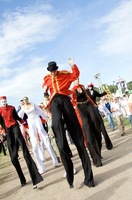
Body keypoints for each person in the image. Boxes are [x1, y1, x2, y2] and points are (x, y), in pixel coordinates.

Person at [42, 58, 95, 188]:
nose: (53, 72)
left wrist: (73, 66)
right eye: (51, 70)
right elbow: (45, 89)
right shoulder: (46, 79)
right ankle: (61, 144)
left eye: (54, 70)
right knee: (56, 123)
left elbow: (75, 75)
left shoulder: (64, 74)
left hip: (65, 99)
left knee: (74, 125)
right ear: (49, 71)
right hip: (54, 102)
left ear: (57, 69)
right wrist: (45, 95)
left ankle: (89, 178)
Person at [0, 96, 43, 189]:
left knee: (25, 152)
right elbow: (1, 121)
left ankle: (35, 178)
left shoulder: (11, 108)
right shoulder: (0, 110)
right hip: (8, 130)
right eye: (2, 101)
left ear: (6, 101)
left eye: (5, 101)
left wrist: (23, 121)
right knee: (13, 158)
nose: (4, 102)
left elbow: (16, 117)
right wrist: (3, 130)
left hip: (15, 126)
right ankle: (22, 179)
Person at [18, 96, 59, 174]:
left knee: (42, 133)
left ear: (28, 100)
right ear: (23, 101)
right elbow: (19, 116)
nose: (26, 101)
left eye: (27, 99)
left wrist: (46, 118)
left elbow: (40, 112)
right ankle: (41, 167)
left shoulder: (33, 104)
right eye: (24, 100)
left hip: (36, 118)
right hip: (30, 121)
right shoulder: (23, 108)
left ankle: (55, 160)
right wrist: (19, 122)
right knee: (34, 141)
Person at [72, 78, 102, 167]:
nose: (76, 80)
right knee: (88, 133)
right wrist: (74, 106)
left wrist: (93, 104)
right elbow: (73, 101)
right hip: (80, 109)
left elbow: (88, 97)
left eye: (77, 79)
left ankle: (99, 152)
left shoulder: (82, 86)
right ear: (73, 81)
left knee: (96, 126)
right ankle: (96, 159)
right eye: (75, 80)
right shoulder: (72, 90)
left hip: (88, 105)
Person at [86, 83, 113, 150]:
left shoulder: (95, 92)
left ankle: (108, 145)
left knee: (101, 126)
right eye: (88, 86)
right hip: (88, 108)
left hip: (94, 107)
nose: (89, 87)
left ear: (92, 86)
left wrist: (105, 92)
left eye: (90, 86)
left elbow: (100, 95)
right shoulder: (86, 92)